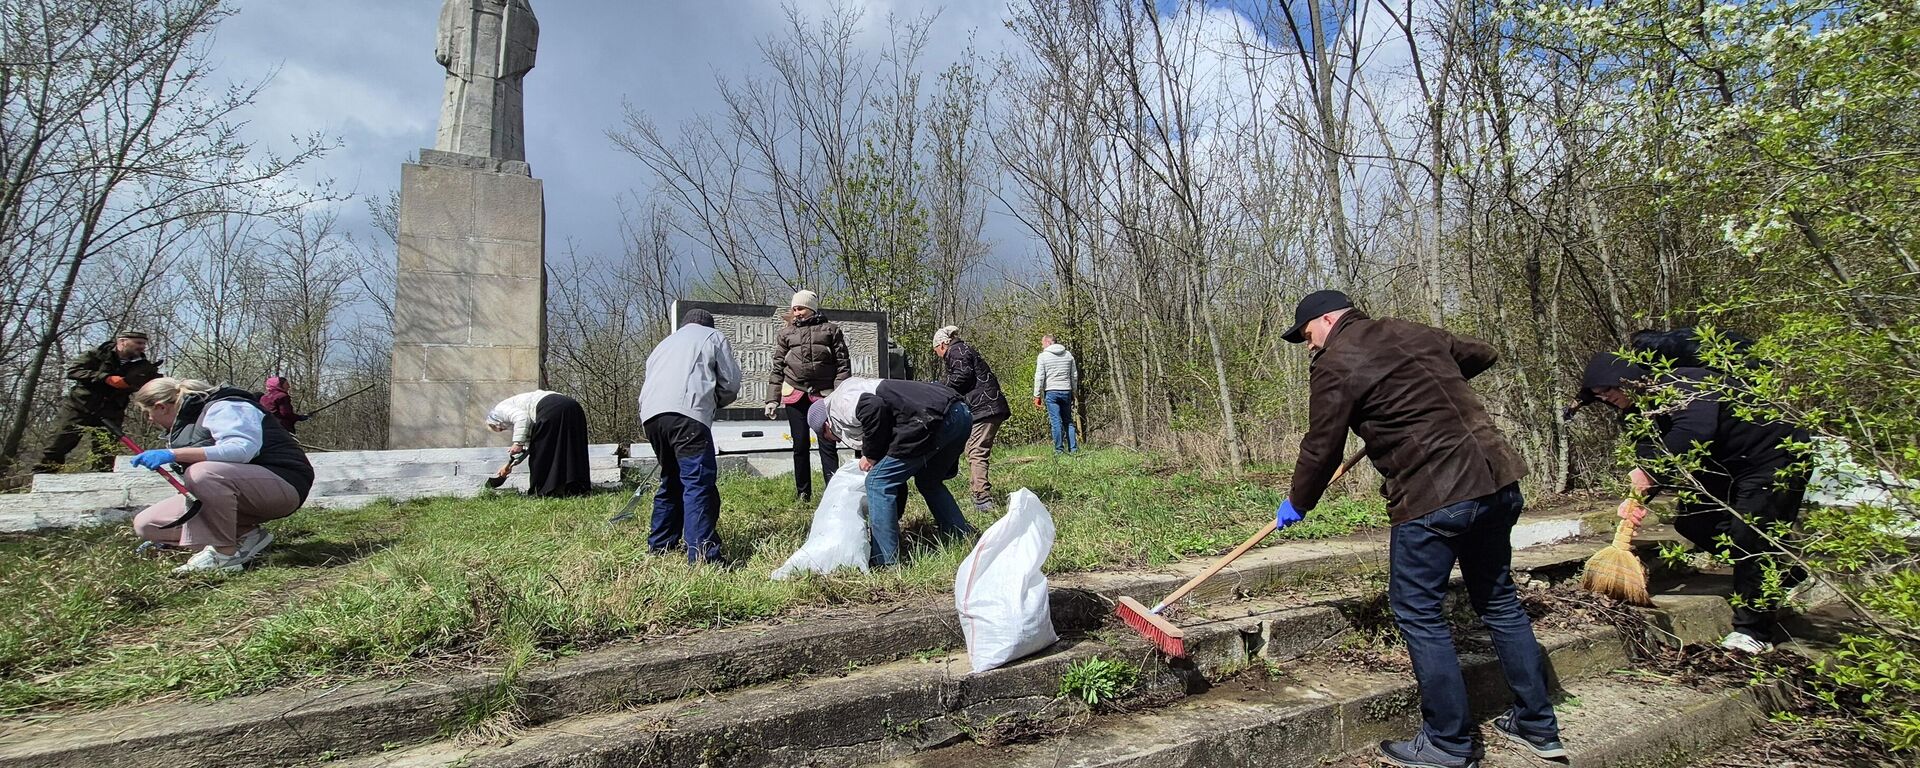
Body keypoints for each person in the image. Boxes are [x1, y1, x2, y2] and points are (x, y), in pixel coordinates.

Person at [1278, 290, 1562, 768]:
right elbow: (1482, 352)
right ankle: (1538, 725)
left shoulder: (1335, 361)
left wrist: (1298, 501)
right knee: (1499, 601)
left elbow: (1321, 446)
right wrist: (1423, 389)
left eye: (1308, 335)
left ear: (1328, 320)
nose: (1309, 346)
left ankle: (1448, 744)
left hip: (1437, 495)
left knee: (1418, 610)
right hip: (1498, 481)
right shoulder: (1413, 332)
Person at [1579, 349, 1809, 654]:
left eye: (1608, 390)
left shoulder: (1684, 384)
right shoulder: (1635, 411)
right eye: (1598, 396)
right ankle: (1780, 576)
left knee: (1749, 534)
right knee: (1694, 523)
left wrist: (1648, 473)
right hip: (1725, 466)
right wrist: (1637, 498)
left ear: (1627, 380)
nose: (1606, 398)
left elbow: (1693, 432)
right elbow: (1651, 452)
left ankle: (1753, 630)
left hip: (1774, 458)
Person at [127, 378, 314, 573]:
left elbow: (241, 450)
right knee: (147, 525)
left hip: (283, 484)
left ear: (161, 407)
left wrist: (174, 454)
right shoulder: (184, 427)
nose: (149, 420)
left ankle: (224, 554)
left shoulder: (226, 406)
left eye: (148, 413)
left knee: (202, 473)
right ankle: (247, 536)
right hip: (235, 489)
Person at [809, 377, 975, 568]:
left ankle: (885, 561)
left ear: (825, 425)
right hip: (960, 413)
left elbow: (873, 407)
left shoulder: (840, 403)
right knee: (929, 481)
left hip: (931, 417)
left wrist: (870, 455)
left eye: (828, 437)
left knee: (876, 482)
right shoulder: (856, 388)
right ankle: (960, 537)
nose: (836, 441)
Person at [638, 310, 742, 564]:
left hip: (651, 418)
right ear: (708, 324)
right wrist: (711, 402)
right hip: (687, 416)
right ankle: (703, 555)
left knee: (671, 479)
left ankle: (660, 545)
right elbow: (730, 383)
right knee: (698, 483)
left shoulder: (663, 345)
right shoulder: (712, 337)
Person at [765, 289, 852, 502]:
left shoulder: (831, 330)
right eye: (794, 308)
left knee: (827, 443)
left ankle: (833, 492)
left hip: (823, 396)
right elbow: (778, 367)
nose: (797, 312)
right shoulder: (786, 334)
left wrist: (839, 393)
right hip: (795, 394)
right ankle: (803, 493)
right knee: (800, 444)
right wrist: (772, 399)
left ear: (811, 308)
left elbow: (843, 364)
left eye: (801, 308)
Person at [36, 330, 163, 473]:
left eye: (144, 344)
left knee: (105, 453)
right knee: (56, 446)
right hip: (79, 406)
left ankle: (101, 484)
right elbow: (73, 370)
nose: (142, 347)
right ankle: (43, 478)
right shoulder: (97, 355)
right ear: (122, 341)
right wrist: (106, 378)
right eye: (138, 343)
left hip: (111, 411)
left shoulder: (143, 366)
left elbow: (153, 384)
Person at [934, 326, 1010, 512]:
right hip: (986, 406)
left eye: (936, 350)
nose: (938, 355)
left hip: (986, 407)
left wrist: (939, 389)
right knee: (973, 449)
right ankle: (978, 491)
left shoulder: (956, 350)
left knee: (976, 450)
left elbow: (962, 376)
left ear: (942, 344)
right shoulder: (961, 349)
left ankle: (982, 498)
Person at [485, 389, 592, 497]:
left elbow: (522, 418)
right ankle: (576, 489)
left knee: (541, 453)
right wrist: (512, 464)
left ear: (496, 423)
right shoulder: (516, 407)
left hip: (550, 407)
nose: (504, 429)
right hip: (572, 406)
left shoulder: (499, 411)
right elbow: (529, 442)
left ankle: (542, 491)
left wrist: (517, 443)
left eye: (501, 429)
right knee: (571, 448)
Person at [1032, 335, 1079, 454]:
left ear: (1048, 342)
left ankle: (1059, 450)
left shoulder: (1043, 356)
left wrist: (1037, 395)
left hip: (1051, 392)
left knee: (1056, 422)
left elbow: (1039, 377)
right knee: (1068, 421)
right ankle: (1073, 449)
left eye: (1042, 343)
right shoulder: (1068, 355)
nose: (1042, 346)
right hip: (1066, 390)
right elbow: (1074, 375)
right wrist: (1074, 391)